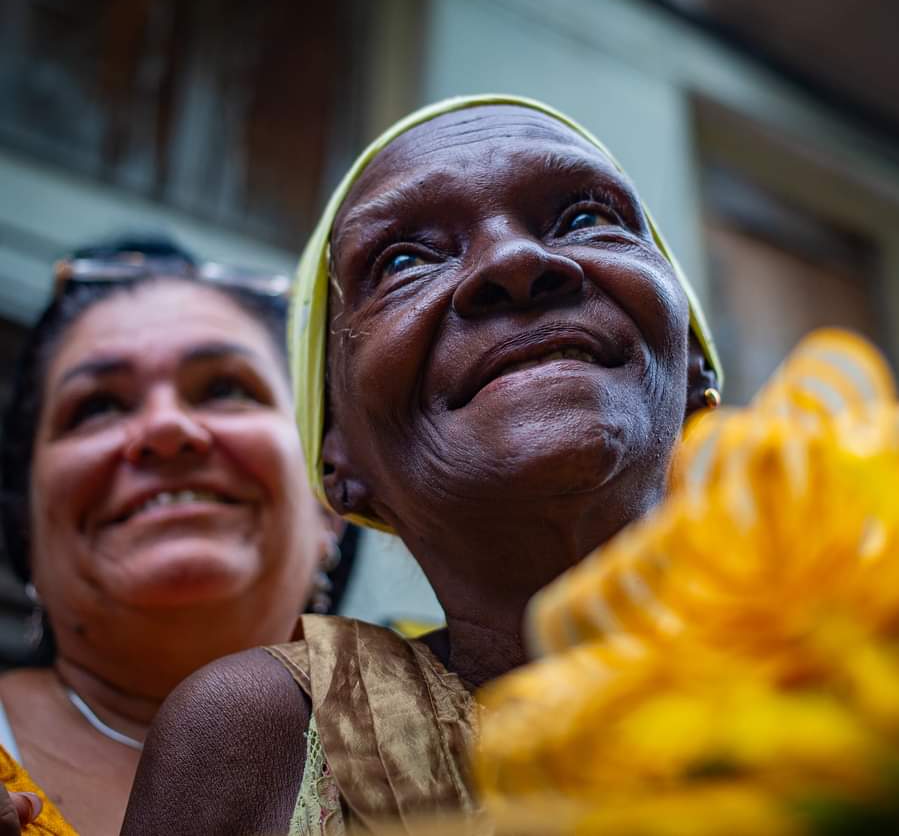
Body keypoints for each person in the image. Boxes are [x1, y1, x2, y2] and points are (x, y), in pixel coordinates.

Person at [120, 95, 723, 835]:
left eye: (585, 218)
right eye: (404, 261)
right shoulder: (265, 738)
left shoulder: (892, 635)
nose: (514, 261)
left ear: (694, 358)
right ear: (336, 453)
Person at [0, 239, 348, 835]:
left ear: (329, 503)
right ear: (27, 525)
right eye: (97, 406)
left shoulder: (477, 735)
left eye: (225, 389)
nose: (166, 427)